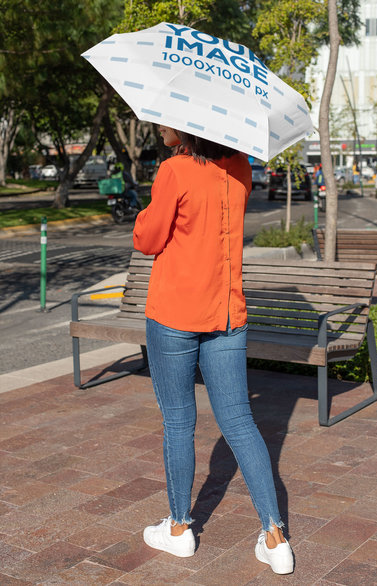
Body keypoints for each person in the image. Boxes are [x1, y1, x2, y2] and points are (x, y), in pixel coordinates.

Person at [132, 125, 294, 575]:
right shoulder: (240, 168)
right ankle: (275, 537)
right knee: (240, 421)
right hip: (227, 315)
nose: (160, 126)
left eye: (166, 119)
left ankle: (181, 530)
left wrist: (146, 211)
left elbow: (147, 240)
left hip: (175, 315)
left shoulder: (174, 170)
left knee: (179, 421)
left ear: (188, 124)